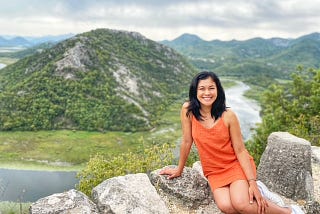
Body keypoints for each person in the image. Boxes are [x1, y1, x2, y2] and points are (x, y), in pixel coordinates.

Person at [160, 71, 304, 214]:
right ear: (195, 91)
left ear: (218, 90)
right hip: (214, 170)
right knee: (227, 207)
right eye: (202, 88)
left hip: (235, 165)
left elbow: (241, 150)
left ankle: (289, 211)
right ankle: (256, 191)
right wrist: (179, 169)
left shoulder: (228, 116)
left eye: (211, 88)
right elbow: (186, 141)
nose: (207, 93)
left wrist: (251, 182)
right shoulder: (188, 110)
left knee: (241, 204)